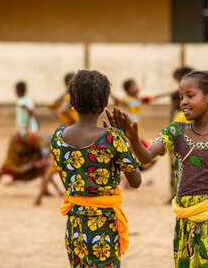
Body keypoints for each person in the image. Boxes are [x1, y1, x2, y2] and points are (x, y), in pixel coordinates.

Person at [107, 70, 208, 267]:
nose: (183, 101)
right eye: (181, 97)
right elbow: (146, 156)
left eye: (190, 96)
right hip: (185, 222)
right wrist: (133, 139)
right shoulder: (175, 131)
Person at [51, 70, 141, 267]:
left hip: (75, 227)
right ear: (103, 103)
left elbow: (68, 182)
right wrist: (124, 139)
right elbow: (135, 181)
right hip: (104, 229)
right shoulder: (113, 137)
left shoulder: (57, 137)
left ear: (72, 102)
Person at [0, 82, 56, 196]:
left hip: (25, 134)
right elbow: (32, 112)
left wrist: (27, 125)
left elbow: (31, 112)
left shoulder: (21, 102)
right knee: (11, 163)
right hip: (23, 138)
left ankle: (45, 189)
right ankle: (45, 190)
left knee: (38, 163)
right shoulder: (27, 101)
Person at [34, 73, 77, 205]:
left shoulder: (65, 96)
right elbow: (63, 110)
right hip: (69, 133)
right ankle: (40, 197)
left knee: (56, 165)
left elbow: (52, 105)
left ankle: (41, 196)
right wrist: (70, 118)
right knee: (57, 166)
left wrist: (59, 114)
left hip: (63, 131)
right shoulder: (70, 97)